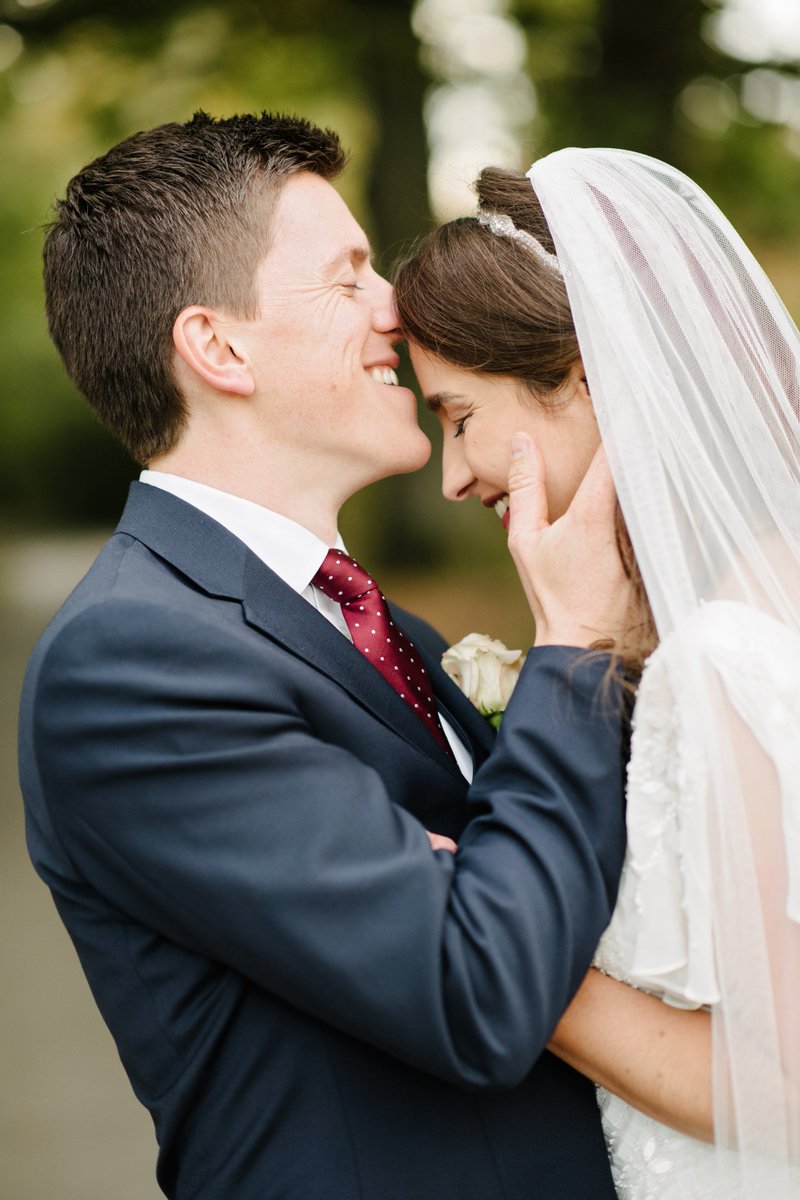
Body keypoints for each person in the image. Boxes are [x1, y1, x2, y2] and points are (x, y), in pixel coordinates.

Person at [18, 112, 636, 1200]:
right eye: (345, 276)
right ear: (218, 348)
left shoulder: (388, 633)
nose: (394, 305)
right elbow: (477, 991)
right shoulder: (131, 662)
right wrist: (571, 652)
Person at [394, 147, 800, 1198]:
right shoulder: (743, 614)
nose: (450, 476)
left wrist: (490, 955)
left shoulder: (721, 658)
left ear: (582, 374)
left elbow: (783, 1088)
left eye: (458, 416)